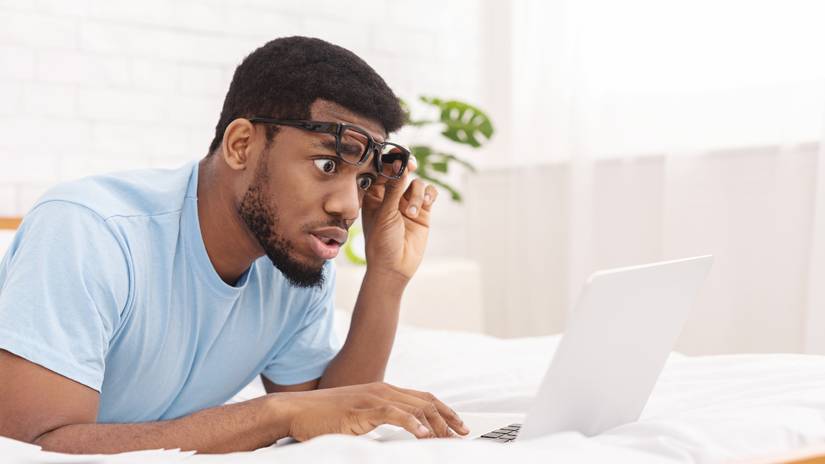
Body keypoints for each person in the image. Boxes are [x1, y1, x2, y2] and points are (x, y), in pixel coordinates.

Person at [0, 36, 468, 454]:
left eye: (364, 179)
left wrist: (387, 276)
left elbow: (330, 417)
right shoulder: (91, 231)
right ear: (241, 145)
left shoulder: (292, 263)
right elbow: (36, 447)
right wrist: (274, 414)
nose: (348, 206)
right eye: (327, 165)